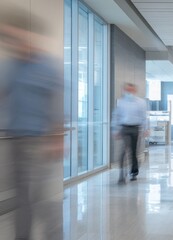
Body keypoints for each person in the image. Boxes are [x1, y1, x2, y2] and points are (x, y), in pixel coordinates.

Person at [0, 6, 64, 239]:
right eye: (6, 38)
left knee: (40, 199)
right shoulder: (7, 67)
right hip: (15, 139)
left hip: (41, 141)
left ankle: (53, 234)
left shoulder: (48, 67)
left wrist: (57, 138)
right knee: (22, 197)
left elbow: (57, 105)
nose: (11, 42)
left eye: (14, 36)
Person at [112, 83, 148, 183]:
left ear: (135, 91)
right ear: (124, 91)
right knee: (123, 151)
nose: (129, 92)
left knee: (133, 151)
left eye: (131, 90)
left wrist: (145, 129)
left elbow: (143, 117)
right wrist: (115, 130)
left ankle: (133, 172)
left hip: (136, 128)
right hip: (124, 128)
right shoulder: (120, 102)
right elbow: (116, 117)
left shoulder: (141, 102)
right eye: (127, 90)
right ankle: (121, 175)